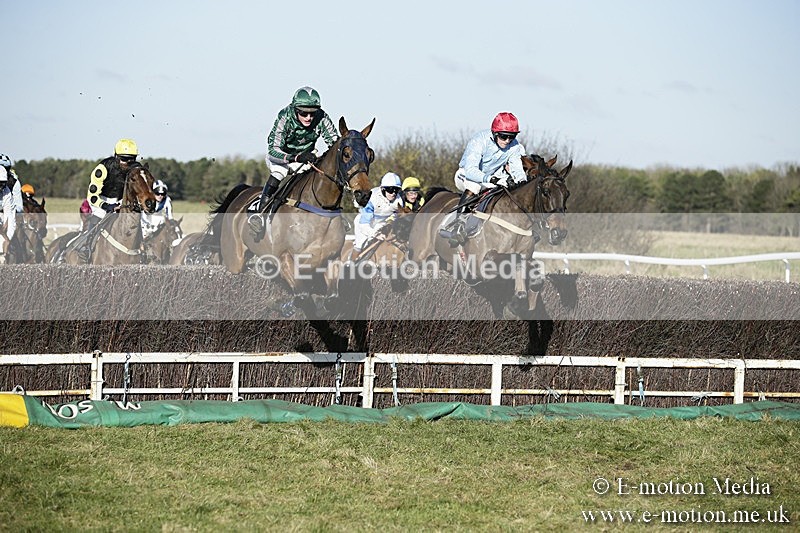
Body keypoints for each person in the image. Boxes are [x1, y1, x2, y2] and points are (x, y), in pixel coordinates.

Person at [249, 86, 340, 234]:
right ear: (295, 109)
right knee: (279, 172)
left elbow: (335, 143)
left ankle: (333, 215)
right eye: (304, 113)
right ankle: (260, 214)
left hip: (307, 159)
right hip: (282, 158)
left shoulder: (322, 117)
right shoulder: (284, 116)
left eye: (312, 113)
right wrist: (295, 157)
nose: (309, 118)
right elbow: (273, 150)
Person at [441, 112, 527, 244]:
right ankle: (458, 226)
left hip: (490, 180)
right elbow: (470, 171)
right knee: (474, 185)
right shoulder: (479, 140)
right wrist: (491, 179)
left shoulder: (514, 146)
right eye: (504, 137)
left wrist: (524, 185)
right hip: (465, 175)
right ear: (495, 133)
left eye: (512, 137)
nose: (508, 141)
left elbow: (518, 172)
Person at [75, 138, 141, 260]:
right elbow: (92, 197)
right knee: (97, 220)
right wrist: (107, 206)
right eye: (124, 159)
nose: (128, 163)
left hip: (123, 202)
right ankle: (86, 247)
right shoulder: (103, 168)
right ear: (116, 156)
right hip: (101, 201)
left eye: (131, 159)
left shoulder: (136, 169)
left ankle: (142, 249)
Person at [351, 172, 404, 262]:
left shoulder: (398, 201)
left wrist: (390, 222)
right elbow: (364, 224)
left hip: (382, 223)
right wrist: (376, 234)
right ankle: (350, 264)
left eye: (396, 190)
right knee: (360, 244)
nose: (394, 193)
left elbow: (395, 216)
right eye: (390, 190)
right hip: (364, 223)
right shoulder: (372, 198)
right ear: (383, 189)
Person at [0, 167, 17, 259]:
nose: (0, 187)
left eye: (2, 184)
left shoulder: (6, 191)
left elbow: (10, 215)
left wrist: (8, 238)